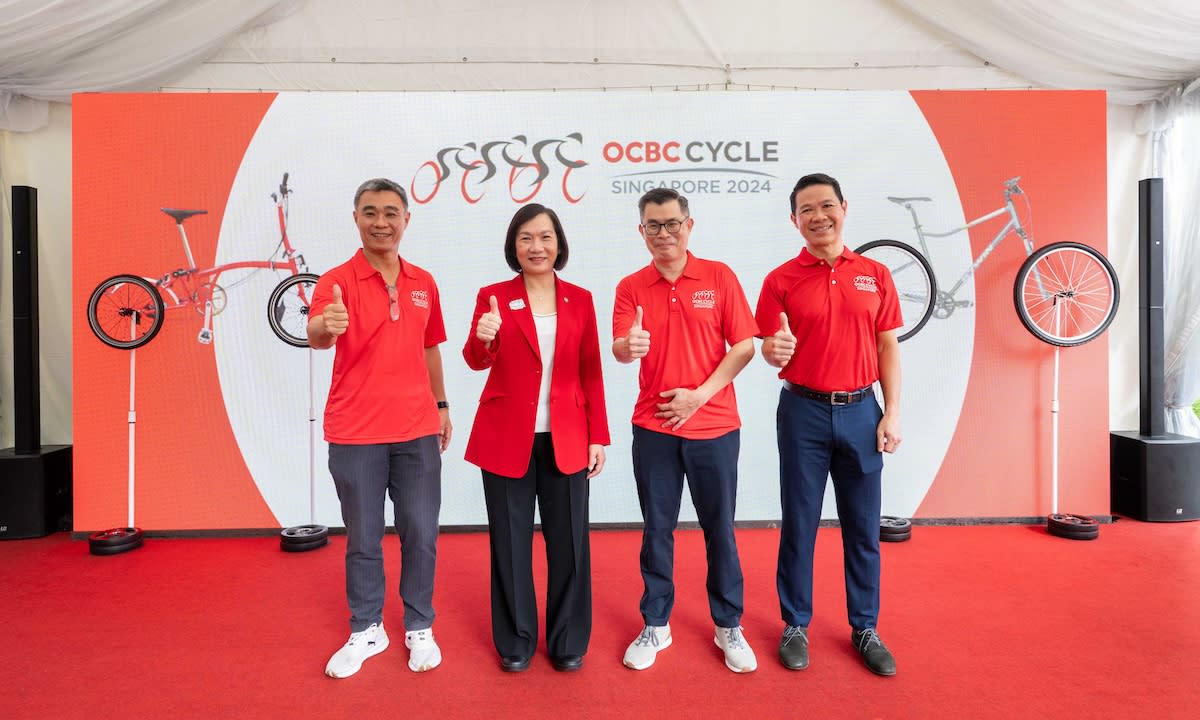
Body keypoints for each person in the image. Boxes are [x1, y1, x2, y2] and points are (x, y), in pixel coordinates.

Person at [756, 172, 903, 677]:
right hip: (803, 412)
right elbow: (768, 346)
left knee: (862, 526)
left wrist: (892, 412)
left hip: (863, 411)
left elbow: (888, 347)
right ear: (793, 220)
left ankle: (864, 625)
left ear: (844, 206)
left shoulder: (876, 274)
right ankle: (795, 622)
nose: (818, 217)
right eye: (806, 210)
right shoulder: (780, 280)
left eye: (826, 206)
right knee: (799, 522)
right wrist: (772, 350)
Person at [307, 177, 452, 679]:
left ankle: (419, 625)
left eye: (391, 212)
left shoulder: (424, 282)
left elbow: (431, 348)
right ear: (356, 218)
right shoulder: (336, 281)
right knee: (364, 537)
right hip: (354, 431)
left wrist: (442, 405)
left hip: (416, 429)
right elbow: (317, 336)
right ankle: (367, 627)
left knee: (421, 532)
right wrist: (327, 325)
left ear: (406, 220)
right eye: (370, 212)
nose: (381, 222)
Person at [612, 188, 759, 673]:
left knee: (720, 529)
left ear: (689, 225)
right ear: (641, 232)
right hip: (653, 428)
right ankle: (656, 623)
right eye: (653, 225)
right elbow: (619, 347)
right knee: (658, 528)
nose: (663, 234)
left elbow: (743, 346)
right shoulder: (631, 286)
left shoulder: (718, 277)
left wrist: (700, 394)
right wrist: (627, 346)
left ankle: (727, 624)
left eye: (672, 223)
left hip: (714, 425)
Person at [463, 204, 610, 673]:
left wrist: (598, 436)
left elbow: (592, 372)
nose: (536, 247)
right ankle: (516, 641)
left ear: (559, 244)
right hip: (508, 439)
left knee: (569, 544)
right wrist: (485, 337)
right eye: (526, 238)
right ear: (514, 246)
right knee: (510, 544)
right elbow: (474, 360)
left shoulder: (580, 299)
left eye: (545, 237)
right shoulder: (493, 297)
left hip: (567, 437)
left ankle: (568, 641)